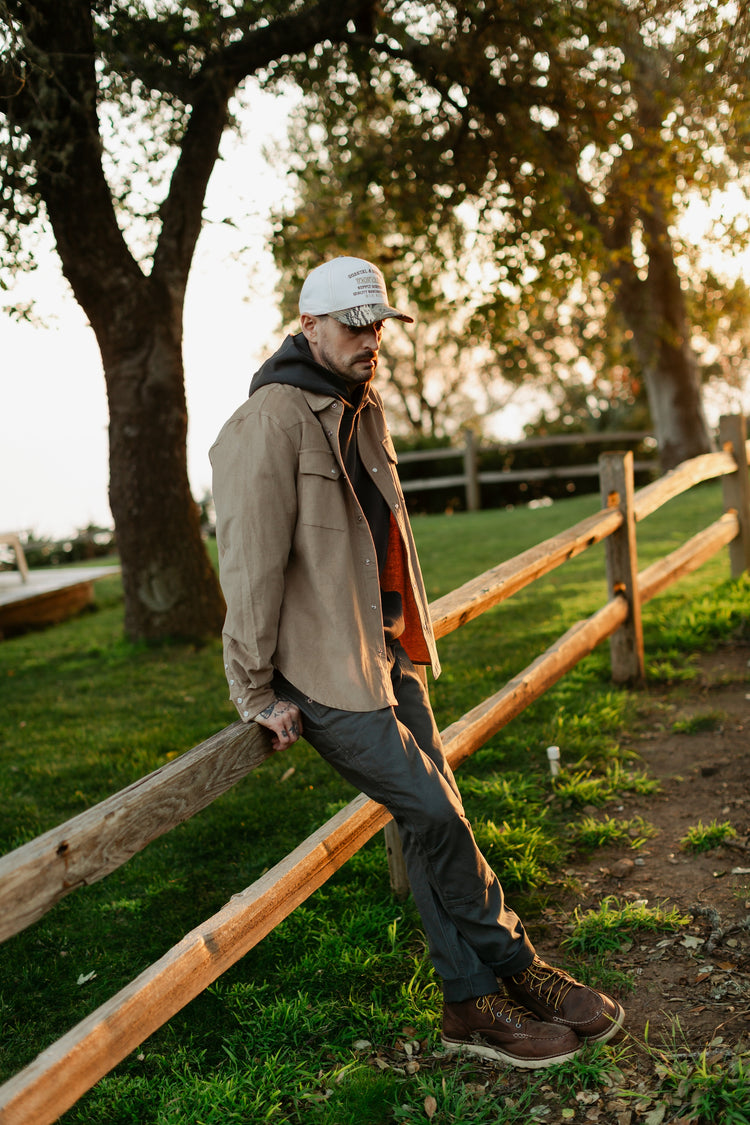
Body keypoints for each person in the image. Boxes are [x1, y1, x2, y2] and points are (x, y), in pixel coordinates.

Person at [209, 256, 625, 1070]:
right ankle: (518, 967)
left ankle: (468, 1005)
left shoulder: (360, 404)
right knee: (434, 816)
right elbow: (250, 565)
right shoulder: (272, 419)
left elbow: (382, 532)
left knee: (435, 815)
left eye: (379, 327)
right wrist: (253, 689)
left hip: (385, 651)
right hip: (325, 673)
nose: (372, 341)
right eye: (356, 326)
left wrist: (407, 636)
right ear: (309, 326)